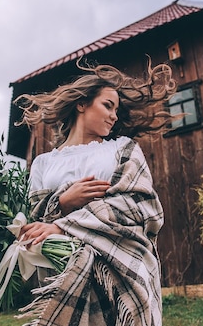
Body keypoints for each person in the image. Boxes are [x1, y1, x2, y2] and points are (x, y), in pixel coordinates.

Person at [13, 59, 177, 326]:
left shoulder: (123, 149)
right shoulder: (44, 163)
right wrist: (62, 201)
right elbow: (34, 215)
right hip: (62, 267)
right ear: (81, 104)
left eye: (116, 110)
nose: (114, 115)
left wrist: (64, 226)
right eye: (107, 105)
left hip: (117, 267)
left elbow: (140, 204)